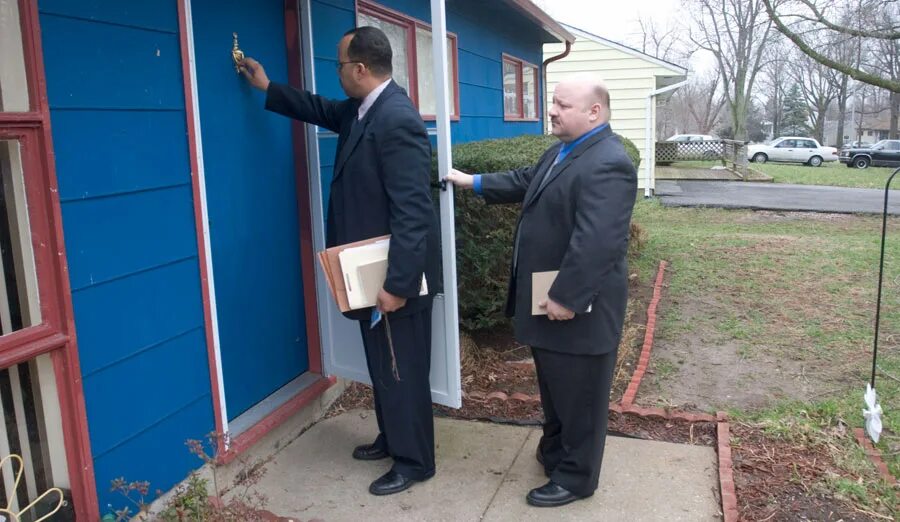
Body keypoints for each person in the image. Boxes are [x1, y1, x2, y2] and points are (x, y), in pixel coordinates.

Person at [239, 26, 440, 496]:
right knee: (384, 363)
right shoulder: (363, 110)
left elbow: (415, 213)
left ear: (360, 69)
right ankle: (394, 439)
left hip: (393, 275)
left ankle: (415, 462)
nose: (337, 73)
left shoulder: (397, 120)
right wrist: (269, 87)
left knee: (402, 368)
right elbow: (321, 109)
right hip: (367, 270)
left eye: (339, 64)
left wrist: (398, 284)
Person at [445, 76, 636, 507]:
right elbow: (525, 179)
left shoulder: (609, 161)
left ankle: (576, 478)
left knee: (581, 395)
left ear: (594, 113)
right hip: (551, 299)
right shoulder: (563, 151)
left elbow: (598, 241)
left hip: (579, 307)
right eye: (554, 102)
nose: (552, 110)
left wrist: (567, 296)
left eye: (562, 105)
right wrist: (471, 182)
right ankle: (555, 453)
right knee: (556, 387)